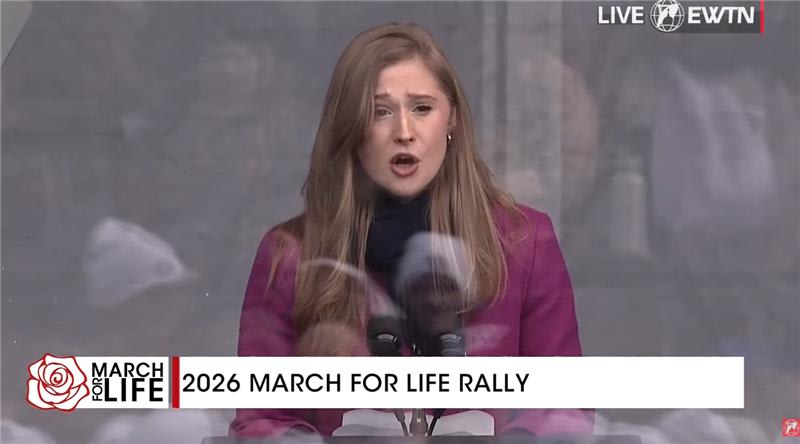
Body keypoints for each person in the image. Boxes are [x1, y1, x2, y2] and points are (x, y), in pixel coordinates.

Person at [230, 22, 593, 438]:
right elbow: (264, 418)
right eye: (380, 111)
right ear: (350, 129)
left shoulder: (526, 242)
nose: (405, 132)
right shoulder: (290, 254)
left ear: (451, 117)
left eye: (422, 108)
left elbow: (563, 407)